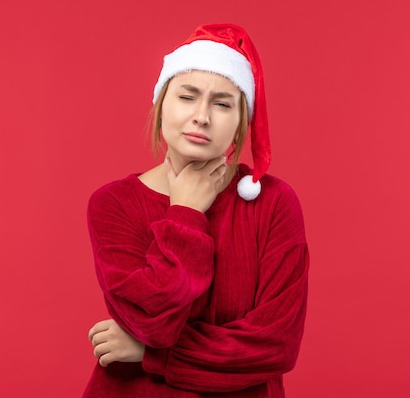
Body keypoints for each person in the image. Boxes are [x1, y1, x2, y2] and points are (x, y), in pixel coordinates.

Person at [83, 23, 309, 398]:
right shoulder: (113, 204)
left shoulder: (273, 203)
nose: (202, 116)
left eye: (222, 104)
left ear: (241, 123)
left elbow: (276, 344)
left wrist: (151, 355)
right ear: (159, 105)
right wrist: (185, 211)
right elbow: (151, 320)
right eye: (187, 97)